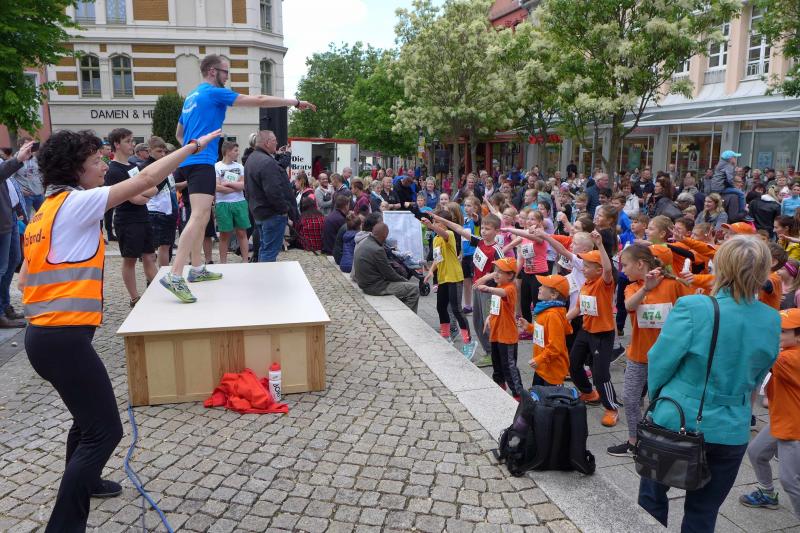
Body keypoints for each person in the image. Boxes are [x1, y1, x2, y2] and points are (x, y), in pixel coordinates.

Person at [21, 128, 220, 532]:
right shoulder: (75, 203)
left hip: (44, 336)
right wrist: (195, 146)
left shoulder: (43, 213)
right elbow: (146, 179)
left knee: (85, 420)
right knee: (105, 431)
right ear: (75, 169)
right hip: (63, 339)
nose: (102, 167)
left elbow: (25, 278)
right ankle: (63, 526)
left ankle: (89, 481)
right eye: (95, 161)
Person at [637, 236, 781, 531]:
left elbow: (661, 361)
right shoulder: (771, 318)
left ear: (722, 267)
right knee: (703, 512)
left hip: (678, 417)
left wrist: (658, 399)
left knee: (651, 500)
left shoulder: (694, 306)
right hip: (732, 426)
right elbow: (758, 375)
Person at [161, 54, 315, 302]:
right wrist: (295, 102)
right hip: (201, 163)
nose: (227, 76)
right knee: (199, 216)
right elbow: (259, 100)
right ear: (213, 71)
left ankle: (197, 268)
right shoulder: (214, 93)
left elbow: (180, 133)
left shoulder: (191, 97)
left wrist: (192, 148)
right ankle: (175, 274)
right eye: (225, 71)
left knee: (200, 218)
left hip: (191, 161)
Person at [606, 245, 691, 457]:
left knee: (660, 401)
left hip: (668, 358)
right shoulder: (633, 287)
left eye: (625, 265)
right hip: (639, 354)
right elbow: (629, 306)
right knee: (630, 398)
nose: (623, 270)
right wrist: (646, 288)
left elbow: (690, 310)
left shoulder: (673, 285)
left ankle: (657, 440)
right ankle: (634, 441)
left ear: (640, 264)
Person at [739, 307, 800, 517]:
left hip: (794, 427)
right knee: (756, 452)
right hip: (782, 418)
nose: (777, 334)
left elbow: (759, 355)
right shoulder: (788, 352)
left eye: (783, 331)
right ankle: (767, 494)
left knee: (790, 480)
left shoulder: (789, 358)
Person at [104, 128, 158, 307]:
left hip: (143, 217)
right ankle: (134, 297)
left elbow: (153, 188)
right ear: (117, 144)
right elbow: (135, 199)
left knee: (150, 256)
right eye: (127, 141)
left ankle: (158, 291)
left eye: (132, 140)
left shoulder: (134, 167)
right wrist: (144, 193)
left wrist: (143, 193)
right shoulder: (113, 170)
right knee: (130, 259)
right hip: (127, 220)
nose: (132, 144)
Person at [422, 210, 475, 355]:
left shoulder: (449, 234)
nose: (436, 225)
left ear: (445, 224)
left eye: (439, 222)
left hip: (454, 277)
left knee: (457, 309)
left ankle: (468, 342)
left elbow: (444, 233)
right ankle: (445, 336)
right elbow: (437, 258)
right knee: (441, 307)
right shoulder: (436, 239)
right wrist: (431, 271)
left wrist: (432, 226)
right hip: (443, 278)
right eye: (435, 222)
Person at [244, 130, 299, 263]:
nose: (277, 143)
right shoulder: (267, 162)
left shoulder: (251, 158)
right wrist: (284, 209)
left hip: (259, 211)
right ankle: (266, 276)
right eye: (274, 140)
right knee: (269, 251)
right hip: (272, 214)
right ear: (267, 142)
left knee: (264, 248)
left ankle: (263, 274)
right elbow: (274, 192)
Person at [474, 257, 522, 399]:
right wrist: (489, 317)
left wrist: (488, 288)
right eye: (496, 270)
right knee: (497, 365)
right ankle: (500, 387)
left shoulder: (510, 288)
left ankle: (518, 395)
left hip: (507, 336)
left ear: (510, 275)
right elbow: (497, 307)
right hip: (496, 334)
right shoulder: (500, 287)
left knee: (509, 367)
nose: (496, 273)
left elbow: (503, 294)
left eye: (501, 272)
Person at [0, 141, 35, 327]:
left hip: (10, 216)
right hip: (2, 222)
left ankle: (5, 307)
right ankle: (0, 313)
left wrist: (18, 211)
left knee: (12, 261)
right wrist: (18, 159)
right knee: (1, 268)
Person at [351, 222, 419, 312]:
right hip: (375, 287)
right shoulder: (377, 250)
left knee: (404, 287)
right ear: (384, 236)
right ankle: (408, 317)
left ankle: (402, 311)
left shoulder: (364, 243)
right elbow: (390, 274)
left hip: (364, 284)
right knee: (414, 289)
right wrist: (405, 281)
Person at [518, 274, 572, 386]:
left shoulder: (553, 315)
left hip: (552, 369)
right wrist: (529, 327)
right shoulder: (545, 310)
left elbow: (555, 347)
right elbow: (544, 333)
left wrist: (539, 359)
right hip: (543, 366)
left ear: (554, 294)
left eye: (543, 286)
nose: (539, 287)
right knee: (537, 393)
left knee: (550, 396)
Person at [143, 136, 177, 268]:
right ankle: (155, 275)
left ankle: (164, 272)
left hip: (167, 209)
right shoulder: (147, 167)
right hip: (154, 210)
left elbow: (170, 187)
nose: (163, 154)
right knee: (154, 248)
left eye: (164, 151)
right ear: (149, 151)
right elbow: (150, 189)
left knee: (166, 246)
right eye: (159, 151)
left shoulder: (164, 166)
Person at [214, 140, 250, 264]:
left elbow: (243, 185)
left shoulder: (240, 167)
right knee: (224, 235)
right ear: (228, 151)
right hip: (222, 203)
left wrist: (227, 184)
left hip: (239, 202)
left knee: (242, 232)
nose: (238, 153)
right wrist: (235, 187)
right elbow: (217, 187)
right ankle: (223, 263)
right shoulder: (217, 167)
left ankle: (245, 260)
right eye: (235, 150)